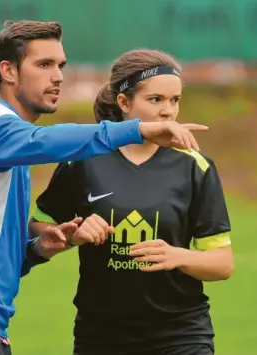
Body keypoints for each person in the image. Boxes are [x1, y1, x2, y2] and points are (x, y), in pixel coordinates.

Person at [0, 21, 208, 355]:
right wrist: (136, 129)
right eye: (44, 64)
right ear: (8, 71)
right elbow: (49, 141)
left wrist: (38, 248)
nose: (58, 76)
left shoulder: (11, 148)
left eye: (61, 65)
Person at [29, 49, 233, 355]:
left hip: (181, 335)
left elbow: (222, 263)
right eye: (156, 100)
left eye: (174, 100)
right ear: (124, 103)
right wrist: (73, 233)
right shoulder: (83, 160)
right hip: (101, 336)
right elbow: (36, 227)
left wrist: (177, 256)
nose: (168, 111)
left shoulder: (195, 166)